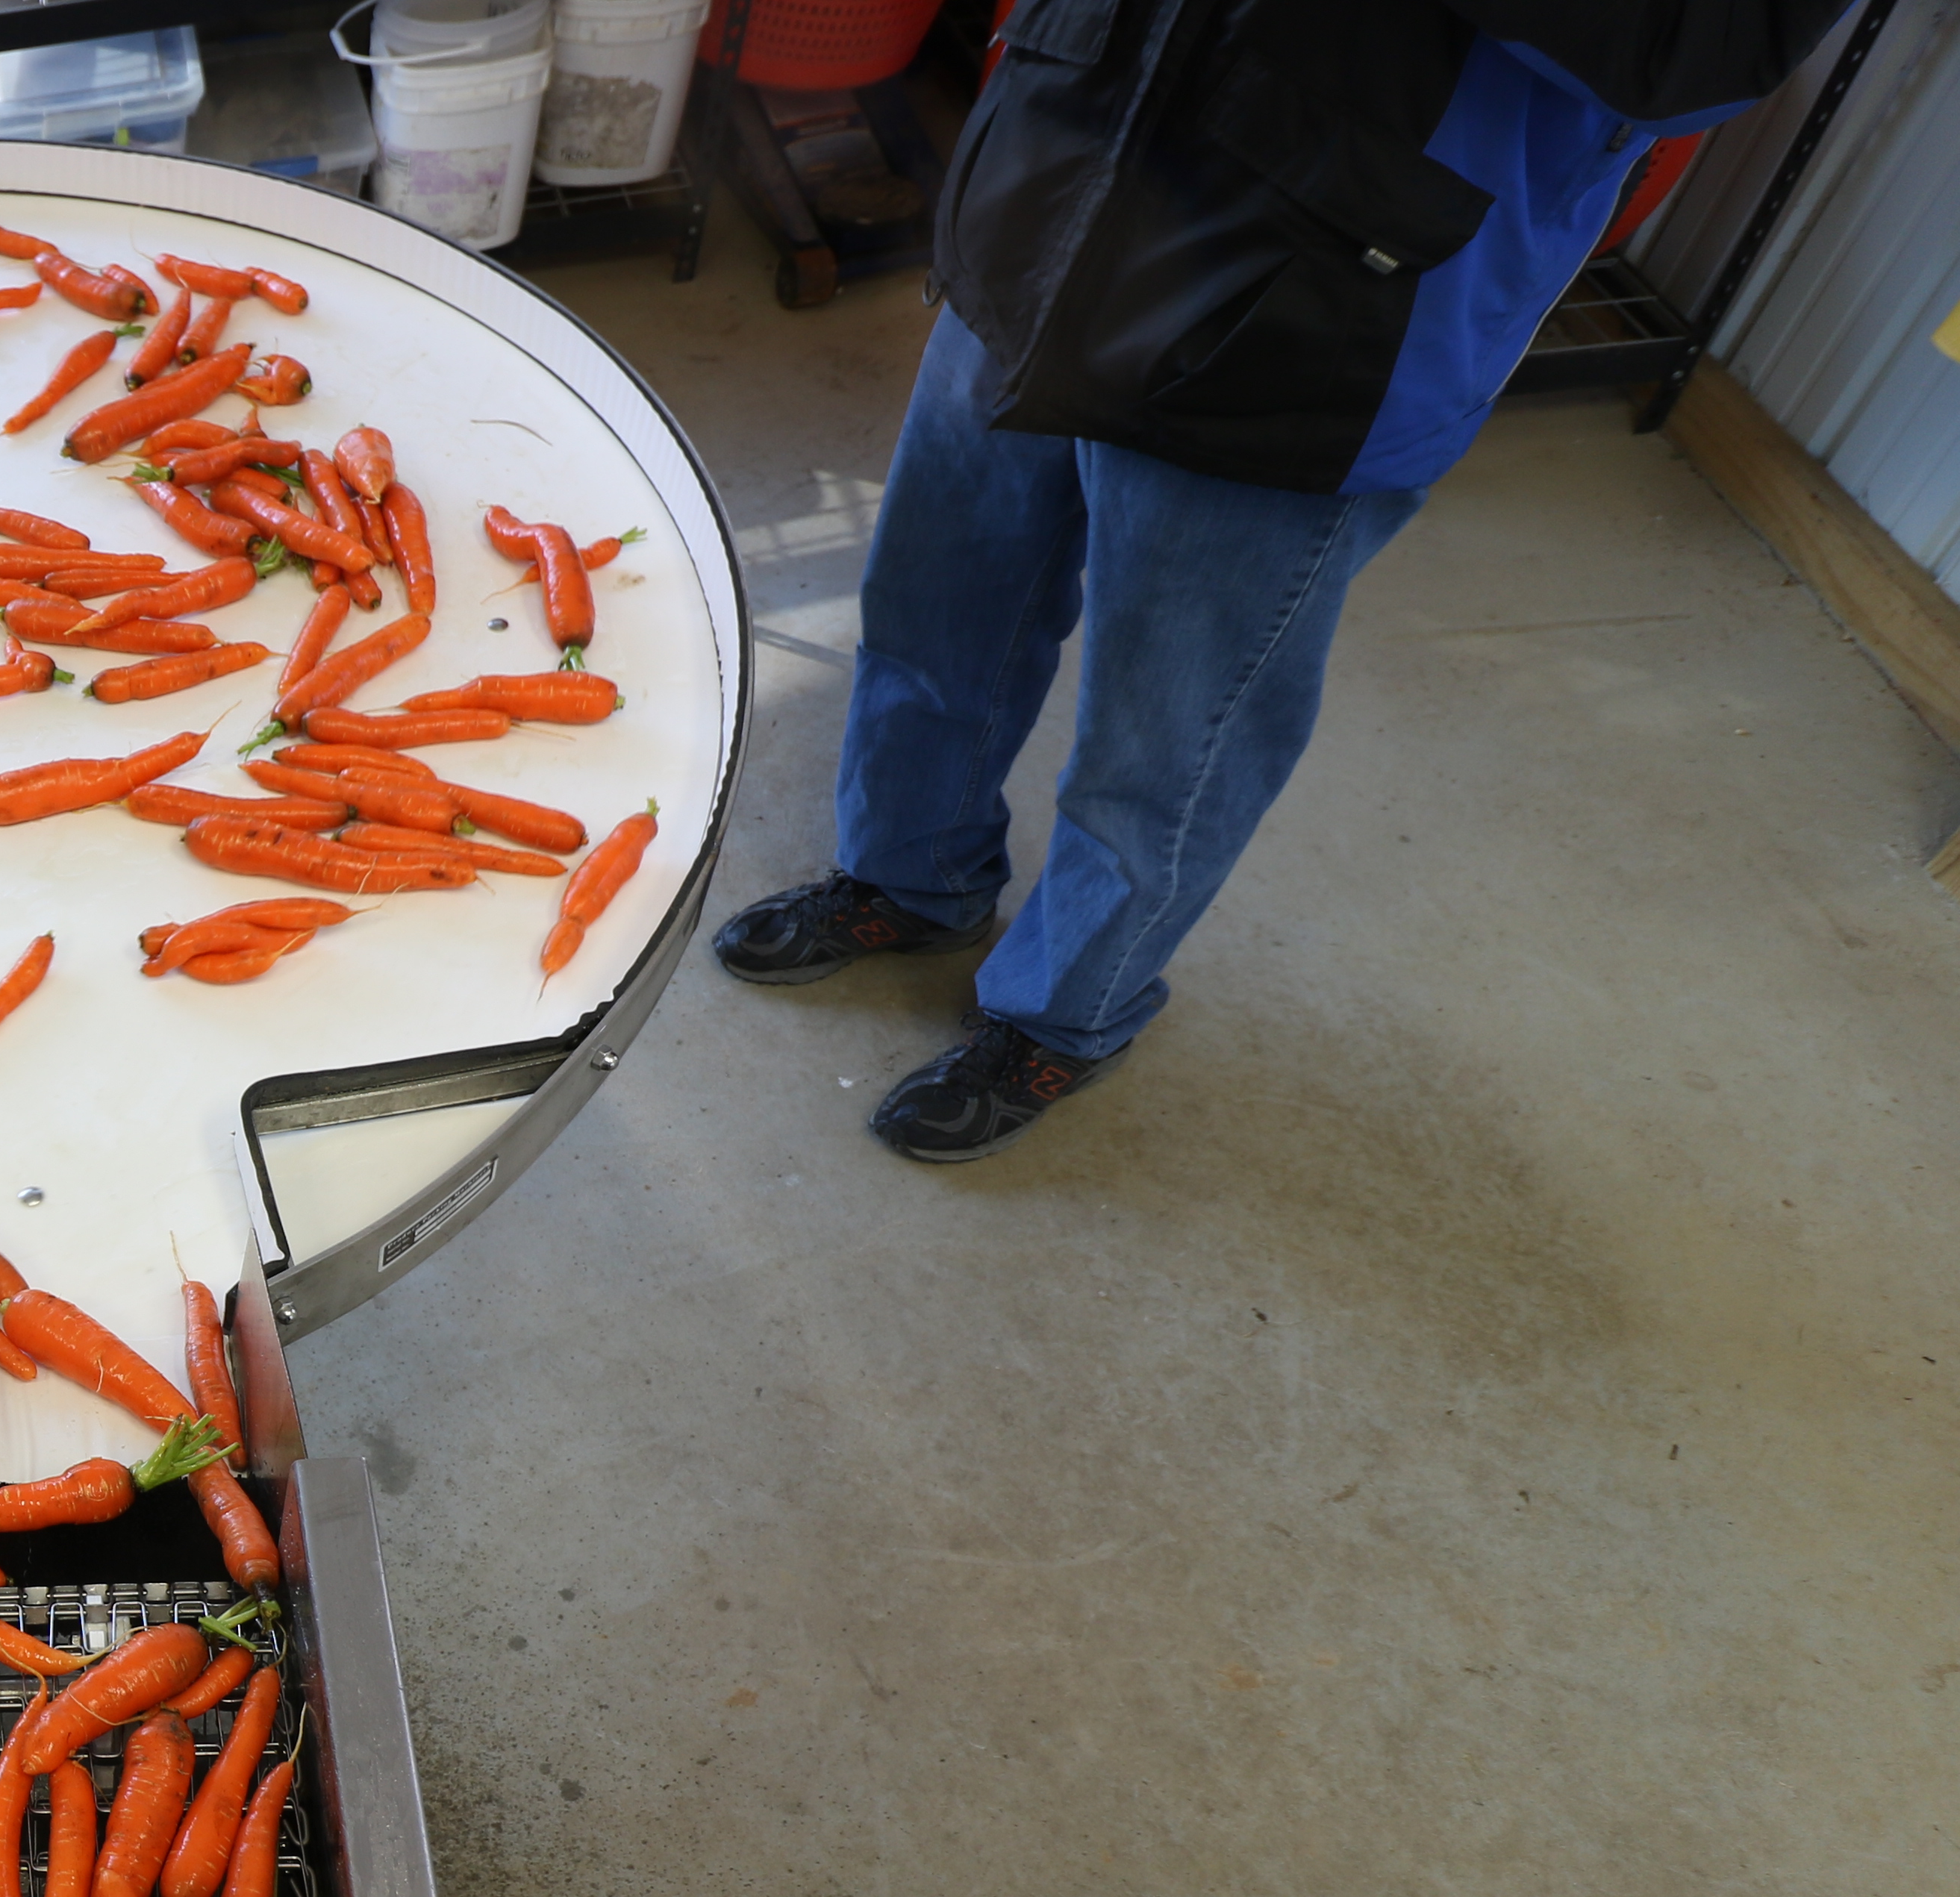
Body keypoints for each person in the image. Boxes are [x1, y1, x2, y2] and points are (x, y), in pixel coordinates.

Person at [713, 0, 1849, 1160]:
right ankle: (911, 876)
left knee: (1171, 736)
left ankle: (1066, 1008)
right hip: (1063, 176)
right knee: (940, 601)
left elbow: (1701, 55)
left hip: (1327, 288)